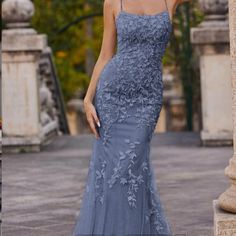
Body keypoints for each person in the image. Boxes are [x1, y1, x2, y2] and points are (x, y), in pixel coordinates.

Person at [72, 0, 187, 235]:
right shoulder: (113, 2)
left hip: (147, 100)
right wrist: (87, 99)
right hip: (112, 95)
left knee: (132, 167)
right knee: (116, 175)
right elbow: (105, 55)